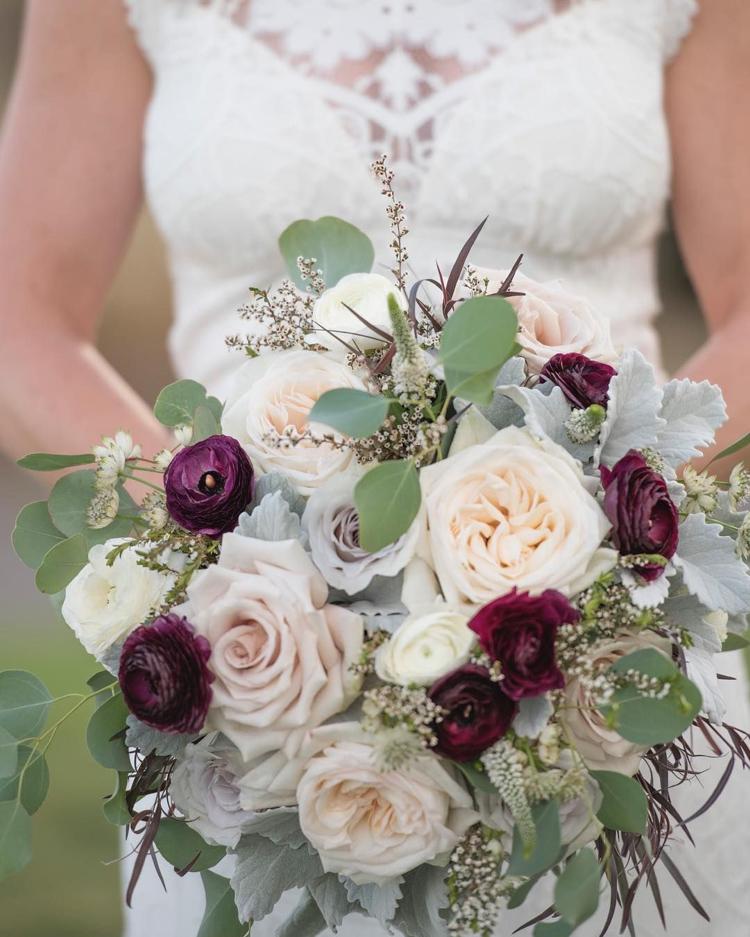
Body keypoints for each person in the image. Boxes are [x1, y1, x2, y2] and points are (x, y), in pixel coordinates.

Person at [1, 1, 748, 935]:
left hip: (606, 677)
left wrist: (604, 538)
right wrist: (225, 590)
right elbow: (20, 319)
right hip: (253, 714)